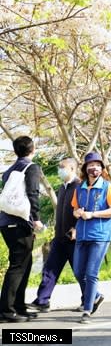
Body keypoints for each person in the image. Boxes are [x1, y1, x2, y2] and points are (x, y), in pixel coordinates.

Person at [72, 152, 111, 324]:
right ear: (85, 168)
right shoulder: (79, 188)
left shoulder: (108, 187)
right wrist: (77, 212)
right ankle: (96, 296)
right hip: (81, 236)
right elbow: (75, 209)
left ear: (102, 168)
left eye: (98, 165)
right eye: (90, 165)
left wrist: (92, 214)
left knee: (91, 273)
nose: (94, 167)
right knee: (78, 272)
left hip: (99, 236)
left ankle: (87, 310)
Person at [0, 136, 44, 322]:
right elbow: (33, 193)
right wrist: (36, 219)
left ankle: (18, 307)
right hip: (20, 223)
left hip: (6, 222)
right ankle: (6, 312)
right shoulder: (32, 168)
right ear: (32, 150)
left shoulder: (8, 170)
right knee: (18, 266)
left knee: (23, 265)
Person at [29, 158, 82, 312]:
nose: (60, 170)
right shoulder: (62, 187)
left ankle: (91, 298)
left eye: (62, 167)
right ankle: (42, 301)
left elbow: (83, 209)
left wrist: (77, 229)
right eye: (59, 167)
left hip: (73, 238)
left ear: (72, 168)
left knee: (79, 271)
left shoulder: (79, 186)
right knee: (50, 269)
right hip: (60, 237)